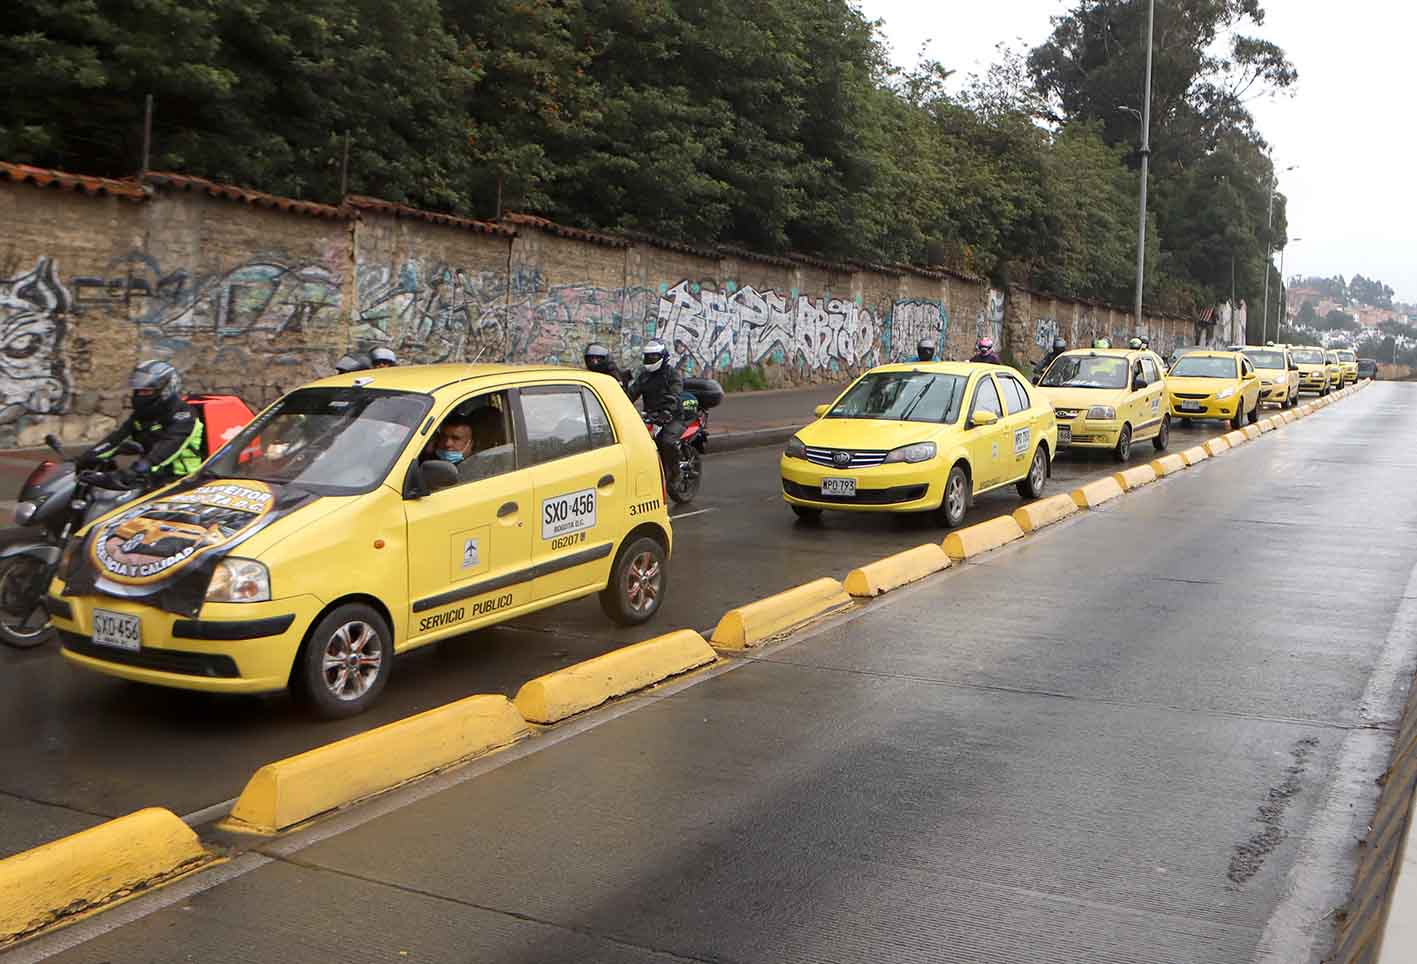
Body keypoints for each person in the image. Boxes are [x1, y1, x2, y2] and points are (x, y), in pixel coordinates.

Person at [81, 360, 205, 485]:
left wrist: (141, 467)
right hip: (151, 477)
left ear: (165, 390)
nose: (140, 395)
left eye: (146, 391)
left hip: (182, 480)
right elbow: (116, 438)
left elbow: (170, 445)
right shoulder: (142, 415)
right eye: (138, 391)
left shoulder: (184, 415)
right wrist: (89, 456)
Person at [627, 340, 685, 478]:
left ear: (663, 356)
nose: (650, 359)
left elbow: (675, 394)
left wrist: (667, 410)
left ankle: (676, 472)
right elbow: (631, 393)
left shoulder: (672, 374)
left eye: (654, 356)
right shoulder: (644, 376)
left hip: (672, 417)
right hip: (651, 416)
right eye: (648, 356)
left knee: (667, 442)